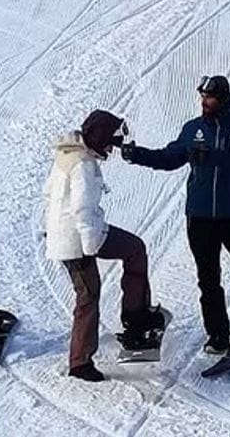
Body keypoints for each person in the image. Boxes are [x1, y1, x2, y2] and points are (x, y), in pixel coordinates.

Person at [121, 75, 230, 354]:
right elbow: (170, 158)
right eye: (203, 97)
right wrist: (137, 155)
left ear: (224, 97)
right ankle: (218, 338)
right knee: (208, 279)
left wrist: (212, 156)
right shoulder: (193, 129)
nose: (205, 102)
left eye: (211, 97)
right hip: (200, 217)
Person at [44, 110, 167, 382]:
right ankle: (81, 362)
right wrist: (90, 247)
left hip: (70, 235)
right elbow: (82, 209)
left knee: (134, 249)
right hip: (78, 240)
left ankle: (136, 318)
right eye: (110, 143)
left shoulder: (69, 154)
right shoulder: (83, 166)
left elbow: (49, 194)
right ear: (99, 139)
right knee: (88, 295)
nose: (111, 149)